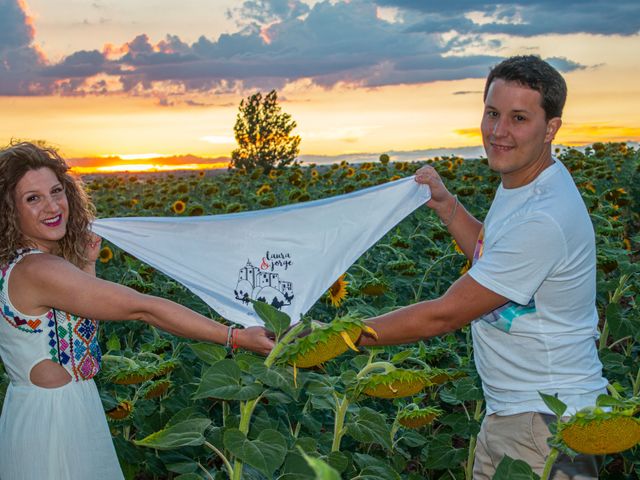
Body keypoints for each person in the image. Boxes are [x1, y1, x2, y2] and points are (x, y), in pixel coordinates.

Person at [359, 55, 607, 479]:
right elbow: (497, 254)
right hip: (517, 411)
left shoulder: (544, 216)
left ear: (550, 128)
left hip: (545, 421)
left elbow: (445, 314)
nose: (498, 131)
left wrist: (343, 337)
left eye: (518, 118)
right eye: (492, 113)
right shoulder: (526, 182)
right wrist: (448, 207)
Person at [0, 142, 274, 479]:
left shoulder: (18, 265)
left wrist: (87, 264)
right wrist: (235, 336)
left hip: (51, 407)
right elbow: (144, 309)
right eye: (33, 198)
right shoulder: (39, 270)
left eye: (57, 191)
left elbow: (79, 341)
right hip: (53, 421)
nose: (53, 205)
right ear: (9, 210)